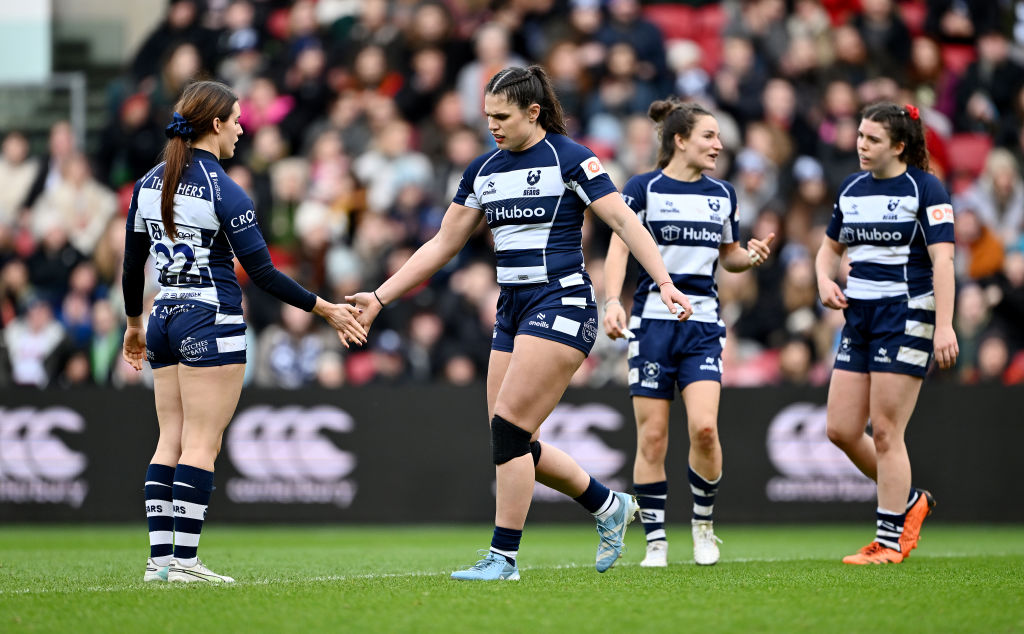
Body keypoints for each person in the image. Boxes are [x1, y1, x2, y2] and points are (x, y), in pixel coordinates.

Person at [347, 65, 693, 581]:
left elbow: (624, 220)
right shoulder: (482, 170)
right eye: (487, 116)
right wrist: (380, 297)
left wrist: (663, 281)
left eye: (502, 116)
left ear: (533, 112)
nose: (492, 125)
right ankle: (608, 504)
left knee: (509, 426)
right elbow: (442, 245)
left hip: (563, 301)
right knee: (510, 438)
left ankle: (503, 557)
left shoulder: (569, 157)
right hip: (511, 309)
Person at [121, 80, 366, 584]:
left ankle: (159, 562)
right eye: (236, 120)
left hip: (162, 316)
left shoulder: (147, 184)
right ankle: (185, 563)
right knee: (201, 444)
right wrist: (325, 309)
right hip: (210, 319)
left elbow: (130, 267)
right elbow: (264, 274)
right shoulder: (224, 190)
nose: (241, 129)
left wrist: (132, 324)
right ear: (215, 124)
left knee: (169, 439)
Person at [602, 99, 774, 567]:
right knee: (652, 438)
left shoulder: (723, 194)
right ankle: (656, 541)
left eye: (719, 137)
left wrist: (750, 258)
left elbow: (729, 255)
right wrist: (613, 300)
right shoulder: (642, 188)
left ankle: (703, 526)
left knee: (704, 429)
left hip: (702, 325)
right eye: (709, 136)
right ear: (679, 140)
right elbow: (619, 248)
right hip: (652, 325)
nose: (719, 145)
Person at [814, 102, 957, 564]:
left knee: (886, 432)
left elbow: (944, 262)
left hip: (906, 315)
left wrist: (945, 326)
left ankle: (889, 541)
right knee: (840, 429)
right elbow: (828, 250)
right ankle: (909, 500)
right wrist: (824, 280)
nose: (861, 144)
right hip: (859, 316)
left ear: (898, 146)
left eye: (872, 139)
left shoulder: (926, 188)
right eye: (859, 135)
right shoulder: (851, 188)